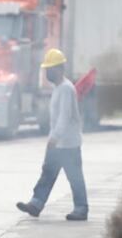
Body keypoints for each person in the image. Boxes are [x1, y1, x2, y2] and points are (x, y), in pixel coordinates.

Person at [17, 49, 89, 221]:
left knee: (75, 177)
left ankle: (81, 208)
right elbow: (56, 118)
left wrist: (55, 136)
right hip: (58, 143)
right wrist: (53, 137)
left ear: (58, 69)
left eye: (49, 69)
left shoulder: (65, 89)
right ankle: (36, 204)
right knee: (47, 173)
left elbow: (65, 116)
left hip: (68, 144)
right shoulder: (59, 88)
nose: (47, 72)